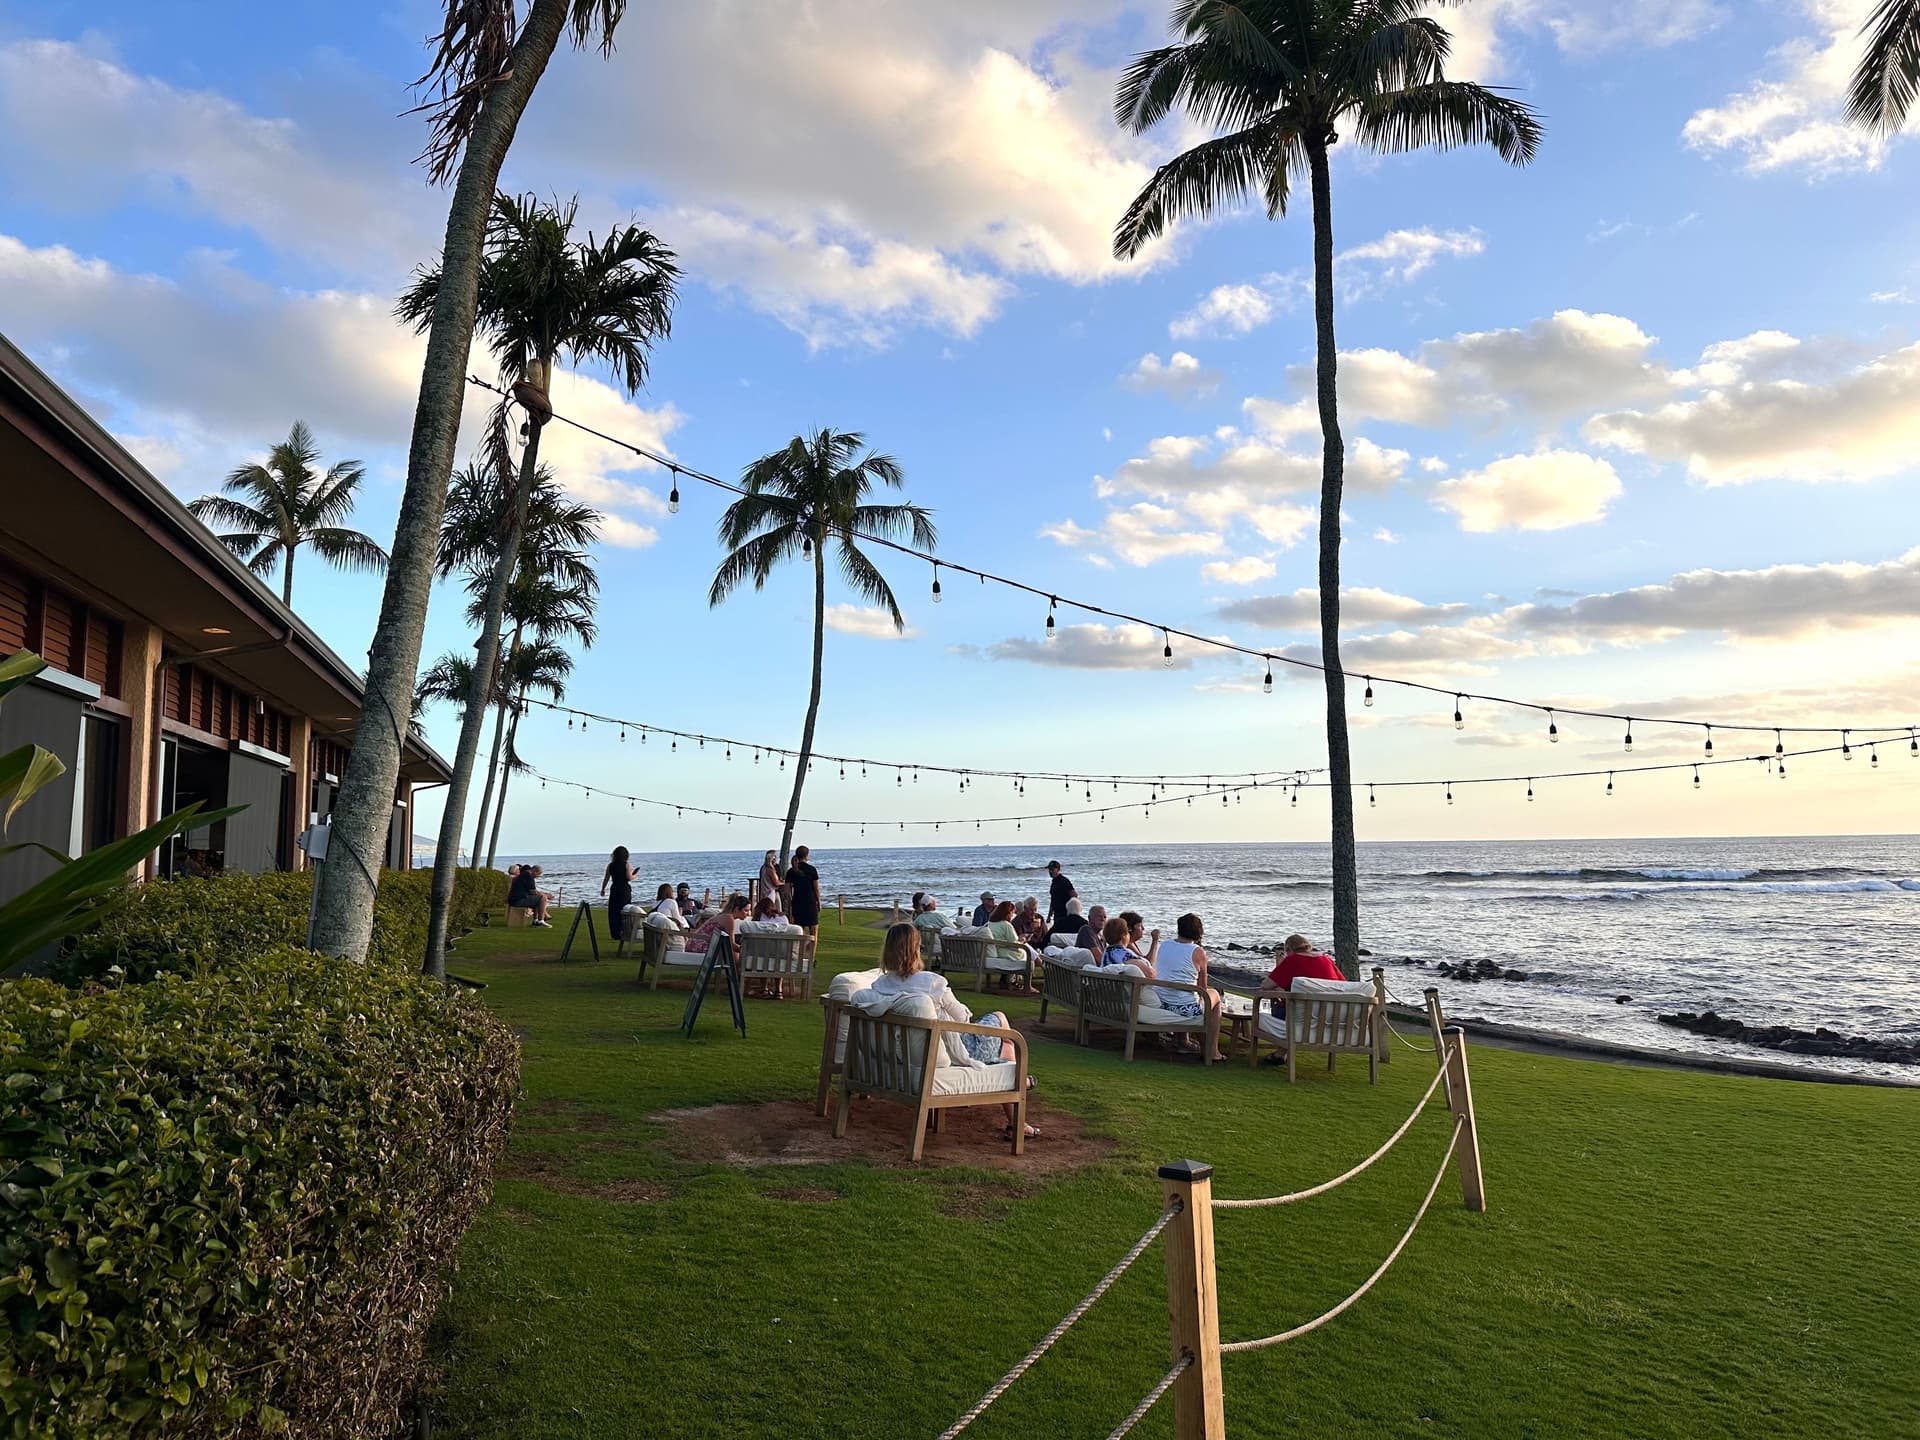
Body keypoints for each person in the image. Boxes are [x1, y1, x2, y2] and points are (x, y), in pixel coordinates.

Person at [873, 923, 1037, 1140]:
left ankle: (1015, 1095)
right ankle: (1016, 1092)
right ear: (915, 950)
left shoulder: (879, 985)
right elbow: (962, 1018)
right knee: (1001, 1023)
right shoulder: (931, 982)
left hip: (906, 1054)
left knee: (1001, 1034)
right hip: (949, 1051)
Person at [1155, 913, 1226, 1063]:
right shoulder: (1198, 951)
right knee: (1214, 996)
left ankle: (1183, 1041)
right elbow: (1202, 985)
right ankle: (1212, 1051)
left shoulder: (1165, 945)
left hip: (1161, 1001)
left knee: (1185, 994)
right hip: (1183, 1008)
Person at [1268, 934, 1344, 992]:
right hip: (1332, 1006)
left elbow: (1266, 985)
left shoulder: (1292, 960)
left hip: (1301, 1007)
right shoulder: (1326, 959)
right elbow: (1343, 983)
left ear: (1288, 950)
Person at [685, 893, 749, 955]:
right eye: (746, 910)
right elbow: (731, 945)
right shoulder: (729, 918)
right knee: (733, 952)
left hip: (693, 944)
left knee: (732, 952)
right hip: (699, 947)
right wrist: (749, 952)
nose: (748, 913)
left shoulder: (724, 915)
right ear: (737, 909)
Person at [600, 846, 636, 941]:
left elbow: (606, 878)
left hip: (615, 888)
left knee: (614, 910)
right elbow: (629, 877)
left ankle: (615, 932)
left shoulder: (610, 865)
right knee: (625, 909)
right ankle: (625, 930)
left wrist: (603, 889)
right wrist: (635, 875)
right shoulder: (626, 865)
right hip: (624, 889)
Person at [786, 845, 822, 936]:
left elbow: (787, 891)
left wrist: (790, 903)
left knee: (799, 930)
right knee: (813, 929)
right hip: (810, 902)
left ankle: (800, 945)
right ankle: (812, 946)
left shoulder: (791, 871)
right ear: (806, 855)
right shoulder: (811, 870)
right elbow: (816, 889)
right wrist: (819, 901)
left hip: (797, 902)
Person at [985, 900, 1030, 967]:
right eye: (1012, 913)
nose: (1012, 915)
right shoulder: (1006, 925)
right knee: (1024, 952)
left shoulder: (988, 924)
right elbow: (1015, 945)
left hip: (991, 951)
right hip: (1003, 953)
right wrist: (1022, 941)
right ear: (1008, 913)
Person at [1045, 861, 1076, 929]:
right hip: (1057, 915)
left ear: (1058, 869)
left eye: (1052, 869)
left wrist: (1072, 912)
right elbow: (1053, 901)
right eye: (1049, 869)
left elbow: (1074, 895)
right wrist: (1049, 915)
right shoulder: (1054, 883)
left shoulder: (1064, 881)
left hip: (1065, 915)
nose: (1050, 871)